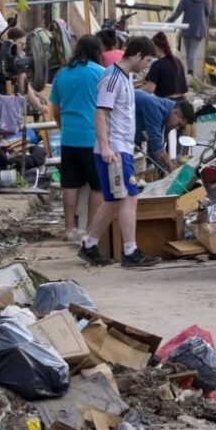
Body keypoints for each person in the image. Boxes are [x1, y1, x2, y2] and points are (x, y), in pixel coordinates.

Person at [79, 36, 162, 268]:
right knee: (126, 196)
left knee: (118, 198)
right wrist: (106, 146)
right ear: (136, 56)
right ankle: (128, 250)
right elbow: (101, 113)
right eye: (146, 60)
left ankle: (92, 244)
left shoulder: (124, 76)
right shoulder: (112, 77)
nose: (146, 65)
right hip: (114, 148)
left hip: (121, 146)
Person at [49, 35, 106, 241]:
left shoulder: (62, 73)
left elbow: (55, 108)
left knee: (70, 184)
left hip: (69, 137)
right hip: (93, 137)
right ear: (97, 52)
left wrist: (63, 127)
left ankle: (69, 228)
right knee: (98, 185)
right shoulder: (100, 73)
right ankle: (90, 229)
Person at [134, 90, 195, 173]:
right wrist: (172, 171)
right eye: (178, 124)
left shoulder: (167, 115)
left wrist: (168, 165)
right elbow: (157, 149)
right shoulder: (156, 109)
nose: (176, 128)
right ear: (175, 113)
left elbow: (153, 151)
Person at [0, 27, 51, 116]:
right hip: (7, 102)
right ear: (13, 43)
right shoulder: (16, 61)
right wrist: (38, 106)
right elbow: (24, 88)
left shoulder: (5, 54)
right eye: (21, 43)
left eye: (25, 44)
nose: (24, 47)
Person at [167, 0, 211, 76]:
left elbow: (178, 12)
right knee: (193, 51)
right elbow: (208, 12)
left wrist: (169, 21)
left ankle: (189, 72)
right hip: (199, 28)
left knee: (188, 52)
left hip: (186, 27)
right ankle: (190, 73)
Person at [144, 32, 188, 99]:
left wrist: (135, 91)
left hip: (166, 102)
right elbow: (146, 80)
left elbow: (149, 89)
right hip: (181, 101)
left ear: (156, 47)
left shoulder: (157, 65)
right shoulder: (177, 61)